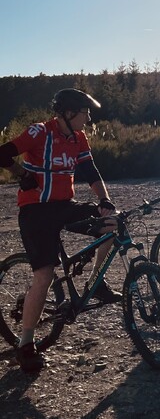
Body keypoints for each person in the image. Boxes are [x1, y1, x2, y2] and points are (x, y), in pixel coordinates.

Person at [0, 88, 119, 374]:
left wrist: (104, 200)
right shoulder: (40, 132)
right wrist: (23, 175)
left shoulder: (79, 138)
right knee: (44, 275)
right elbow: (3, 154)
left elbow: (91, 172)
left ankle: (96, 283)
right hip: (36, 211)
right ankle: (26, 344)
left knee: (112, 224)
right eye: (85, 113)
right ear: (68, 113)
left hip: (64, 205)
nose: (88, 118)